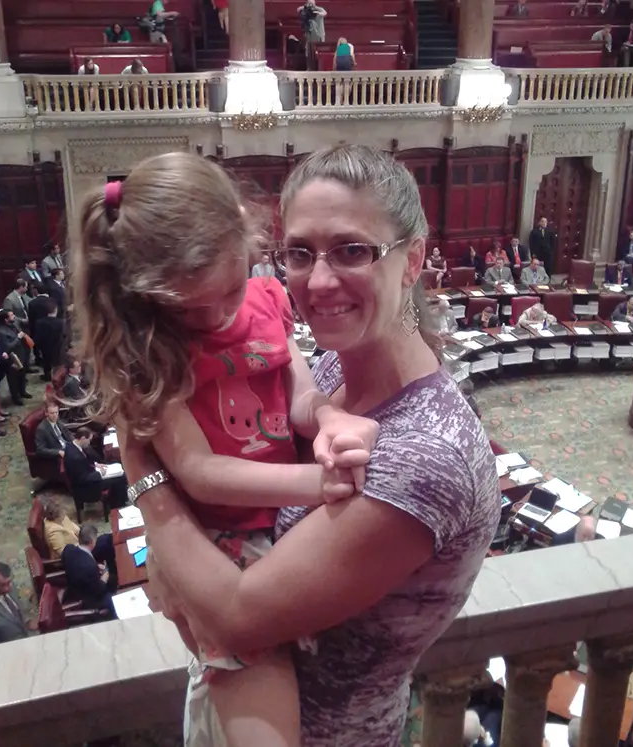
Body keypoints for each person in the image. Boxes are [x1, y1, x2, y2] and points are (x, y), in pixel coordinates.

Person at [113, 145, 500, 746]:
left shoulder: (427, 450)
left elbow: (238, 615)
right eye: (299, 253)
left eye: (352, 250)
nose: (318, 282)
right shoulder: (323, 375)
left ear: (414, 259)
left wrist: (142, 471)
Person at [71, 152, 381, 747]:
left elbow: (298, 394)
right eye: (192, 309)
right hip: (224, 543)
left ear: (245, 228)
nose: (217, 315)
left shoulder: (267, 298)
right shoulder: (147, 346)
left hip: (285, 524)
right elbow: (200, 471)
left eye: (229, 290)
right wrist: (316, 484)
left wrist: (329, 417)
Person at [64, 427, 128, 510]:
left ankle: (115, 500)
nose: (89, 443)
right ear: (83, 438)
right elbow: (82, 478)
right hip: (85, 487)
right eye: (89, 440)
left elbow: (85, 461)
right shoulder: (75, 457)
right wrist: (101, 474)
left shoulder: (72, 445)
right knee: (120, 477)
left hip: (87, 474)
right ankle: (118, 505)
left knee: (116, 470)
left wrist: (96, 464)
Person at [61, 523, 117, 618]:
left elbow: (78, 564)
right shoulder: (89, 567)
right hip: (88, 599)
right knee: (116, 599)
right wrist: (104, 578)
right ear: (92, 541)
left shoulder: (68, 549)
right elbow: (99, 590)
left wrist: (96, 566)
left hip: (73, 586)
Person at [0, 309, 31, 405]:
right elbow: (7, 347)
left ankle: (22, 392)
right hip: (12, 359)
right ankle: (15, 398)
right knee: (13, 379)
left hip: (21, 354)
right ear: (5, 319)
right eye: (11, 315)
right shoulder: (1, 332)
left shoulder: (13, 325)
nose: (14, 316)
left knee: (22, 376)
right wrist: (18, 338)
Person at [34, 299, 65, 382]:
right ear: (56, 309)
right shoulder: (61, 322)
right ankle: (58, 377)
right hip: (59, 347)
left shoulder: (40, 322)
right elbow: (66, 336)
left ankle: (47, 376)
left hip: (46, 348)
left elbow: (38, 337)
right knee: (58, 363)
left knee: (46, 362)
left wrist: (39, 346)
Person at [0, 562, 29, 645]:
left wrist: (27, 621)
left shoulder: (11, 587)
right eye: (3, 585)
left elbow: (18, 613)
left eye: (9, 582)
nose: (9, 587)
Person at [298, 0, 327, 69]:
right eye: (310, 3)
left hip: (319, 35)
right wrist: (306, 7)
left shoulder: (319, 9)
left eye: (313, 3)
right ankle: (309, 68)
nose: (312, 5)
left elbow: (325, 13)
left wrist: (318, 13)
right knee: (308, 53)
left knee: (317, 53)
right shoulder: (306, 10)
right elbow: (298, 9)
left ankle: (318, 68)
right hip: (309, 35)